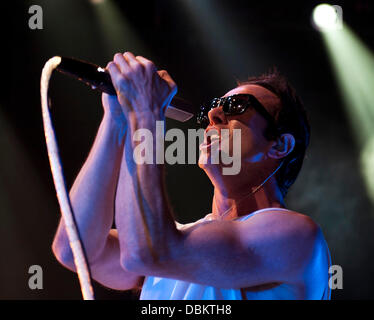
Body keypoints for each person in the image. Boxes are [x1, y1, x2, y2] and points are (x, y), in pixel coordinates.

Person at [52, 52, 331, 300]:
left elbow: (146, 252)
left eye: (236, 107)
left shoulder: (296, 236)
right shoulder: (178, 241)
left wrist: (147, 113)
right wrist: (117, 118)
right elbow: (74, 249)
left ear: (280, 145)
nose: (213, 114)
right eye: (213, 107)